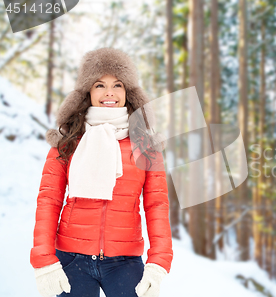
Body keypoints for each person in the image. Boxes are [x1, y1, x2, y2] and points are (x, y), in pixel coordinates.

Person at [30, 47, 173, 297]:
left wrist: (158, 263)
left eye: (118, 84)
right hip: (71, 261)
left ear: (129, 93)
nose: (109, 92)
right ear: (87, 92)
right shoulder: (68, 143)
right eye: (99, 85)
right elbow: (48, 201)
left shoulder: (146, 146)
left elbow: (157, 205)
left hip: (125, 262)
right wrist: (43, 261)